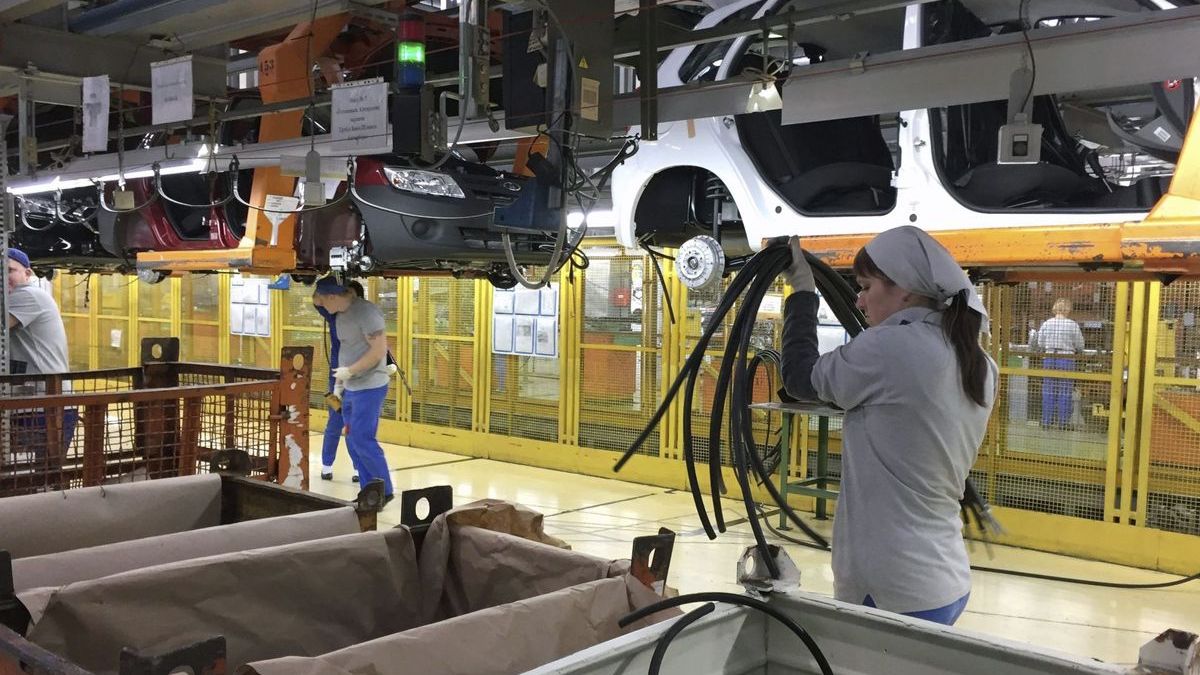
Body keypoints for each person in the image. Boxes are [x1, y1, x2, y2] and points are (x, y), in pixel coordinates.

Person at [780, 226, 997, 626]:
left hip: (890, 587)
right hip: (943, 578)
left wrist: (802, 293)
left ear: (906, 290)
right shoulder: (978, 361)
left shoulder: (890, 348)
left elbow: (798, 378)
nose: (858, 300)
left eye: (865, 286)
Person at [312, 277, 394, 506]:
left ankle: (384, 490)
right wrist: (340, 384)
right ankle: (370, 491)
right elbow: (348, 348)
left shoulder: (367, 314)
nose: (320, 305)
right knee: (353, 438)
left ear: (333, 297)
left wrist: (351, 370)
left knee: (362, 438)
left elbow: (378, 351)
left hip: (369, 386)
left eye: (323, 299)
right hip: (349, 386)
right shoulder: (339, 315)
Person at [6, 248, 75, 462]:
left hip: (43, 409)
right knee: (35, 483)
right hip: (35, 406)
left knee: (34, 482)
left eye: (10, 270)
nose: (4, 277)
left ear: (27, 273)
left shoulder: (27, 295)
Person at [312, 280, 366, 483]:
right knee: (335, 421)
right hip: (336, 378)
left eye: (350, 295)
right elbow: (317, 299)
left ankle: (359, 468)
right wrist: (330, 281)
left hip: (360, 379)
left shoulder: (366, 319)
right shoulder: (333, 315)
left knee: (355, 425)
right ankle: (326, 465)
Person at [1035, 298, 1084, 429]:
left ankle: (1046, 422)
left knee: (1048, 390)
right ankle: (1063, 423)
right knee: (1064, 391)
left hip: (1049, 357)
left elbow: (1040, 343)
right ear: (1068, 310)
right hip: (1066, 359)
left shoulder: (1046, 324)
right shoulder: (1072, 325)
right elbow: (1080, 345)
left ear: (1054, 309)